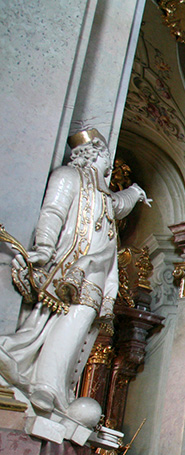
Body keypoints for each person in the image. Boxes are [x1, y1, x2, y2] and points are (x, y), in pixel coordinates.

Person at [0, 128, 149, 416]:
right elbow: (53, 212)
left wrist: (135, 192)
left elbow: (119, 205)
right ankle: (43, 383)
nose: (109, 161)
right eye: (107, 155)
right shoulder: (68, 177)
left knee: (82, 321)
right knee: (64, 319)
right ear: (95, 153)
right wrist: (43, 247)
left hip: (98, 272)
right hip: (71, 265)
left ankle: (53, 384)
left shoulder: (104, 193)